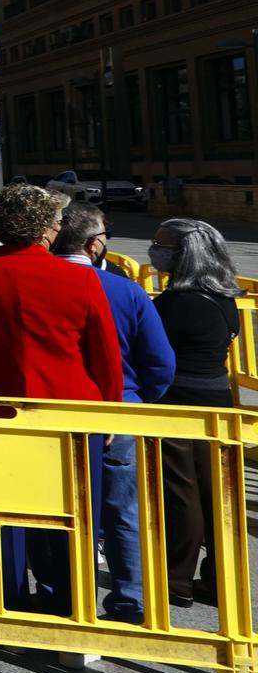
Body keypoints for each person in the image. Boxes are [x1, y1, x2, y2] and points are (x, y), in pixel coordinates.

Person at [0, 184, 121, 613]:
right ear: (46, 231)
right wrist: (108, 414)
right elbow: (105, 357)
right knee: (72, 518)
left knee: (1, 515)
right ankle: (71, 602)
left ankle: (2, 598)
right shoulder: (81, 277)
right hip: (70, 409)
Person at [52, 201, 173, 628]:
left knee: (56, 507)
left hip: (51, 411)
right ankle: (128, 597)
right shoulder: (125, 290)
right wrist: (139, 399)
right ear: (94, 244)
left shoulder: (41, 284)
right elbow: (159, 362)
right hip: (119, 409)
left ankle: (62, 592)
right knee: (121, 509)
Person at [147, 217, 241, 609]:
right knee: (215, 493)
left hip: (178, 403)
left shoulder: (175, 303)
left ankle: (177, 579)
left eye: (164, 244)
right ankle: (219, 580)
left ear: (185, 254)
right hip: (217, 399)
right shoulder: (224, 296)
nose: (156, 250)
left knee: (181, 492)